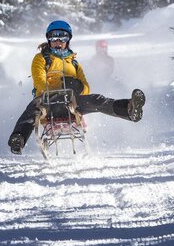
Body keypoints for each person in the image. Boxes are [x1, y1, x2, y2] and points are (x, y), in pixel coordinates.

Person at [8, 20, 145, 155]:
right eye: (54, 37)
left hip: (71, 102)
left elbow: (86, 87)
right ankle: (18, 139)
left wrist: (76, 87)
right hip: (47, 103)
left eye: (63, 37)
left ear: (68, 40)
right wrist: (54, 91)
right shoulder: (41, 58)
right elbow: (39, 80)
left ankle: (129, 109)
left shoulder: (74, 63)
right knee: (33, 108)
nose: (58, 41)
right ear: (49, 39)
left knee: (97, 99)